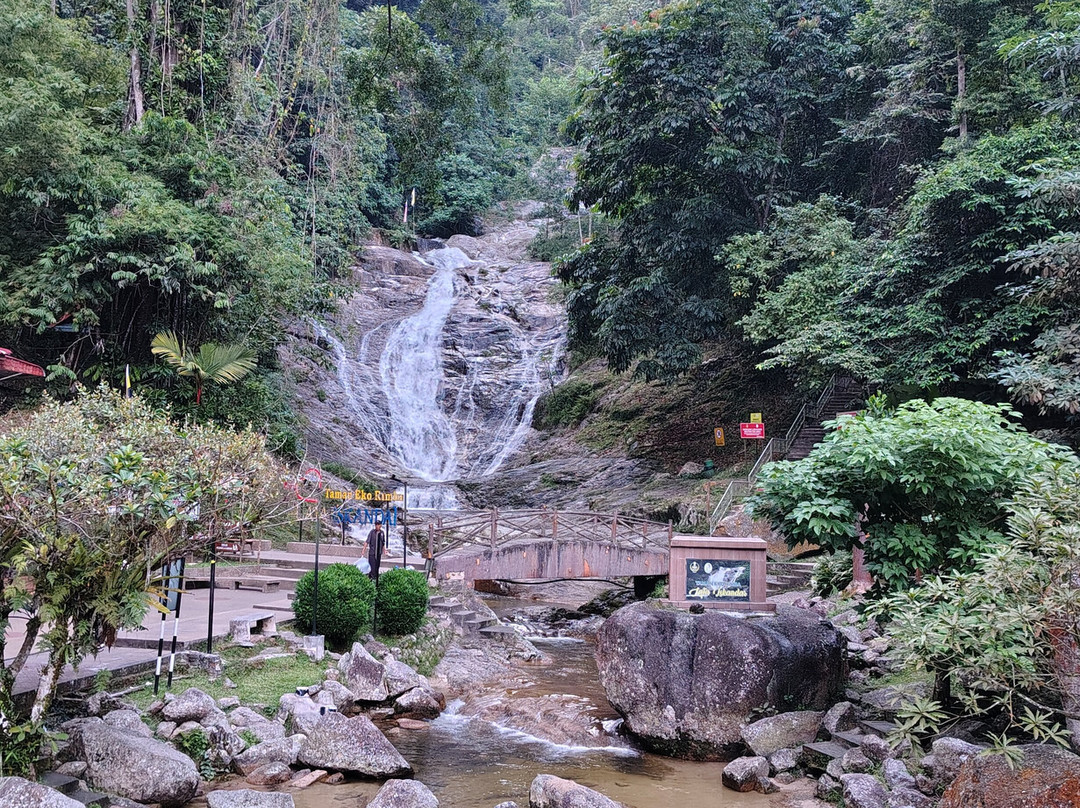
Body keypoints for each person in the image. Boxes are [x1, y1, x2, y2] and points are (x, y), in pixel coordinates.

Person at [364, 518, 385, 583]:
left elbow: (383, 542)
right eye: (376, 524)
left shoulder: (382, 533)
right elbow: (367, 541)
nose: (377, 526)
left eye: (378, 524)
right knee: (372, 567)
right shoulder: (372, 532)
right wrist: (363, 550)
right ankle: (371, 580)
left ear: (381, 525)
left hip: (378, 553)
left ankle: (375, 580)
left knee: (377, 567)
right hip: (372, 553)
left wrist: (384, 550)